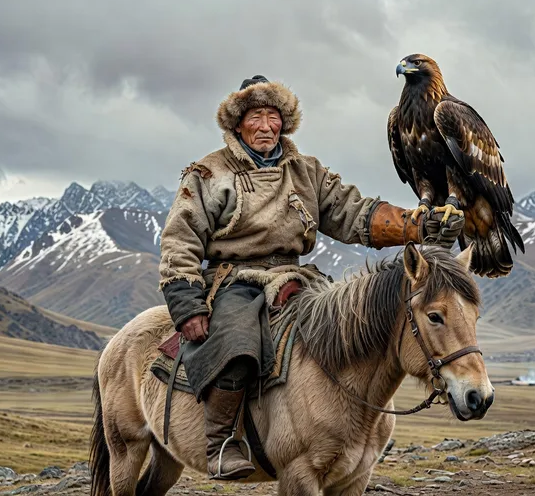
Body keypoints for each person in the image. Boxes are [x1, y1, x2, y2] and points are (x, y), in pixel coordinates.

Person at [158, 74, 464, 480]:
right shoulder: (208, 173)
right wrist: (186, 304)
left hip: (296, 279)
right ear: (237, 123)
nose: (266, 126)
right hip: (235, 281)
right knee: (236, 344)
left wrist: (416, 225)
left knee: (355, 331)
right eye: (256, 117)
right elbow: (180, 240)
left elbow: (353, 212)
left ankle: (350, 430)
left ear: (285, 122)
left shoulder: (306, 172)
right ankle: (221, 442)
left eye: (274, 117)